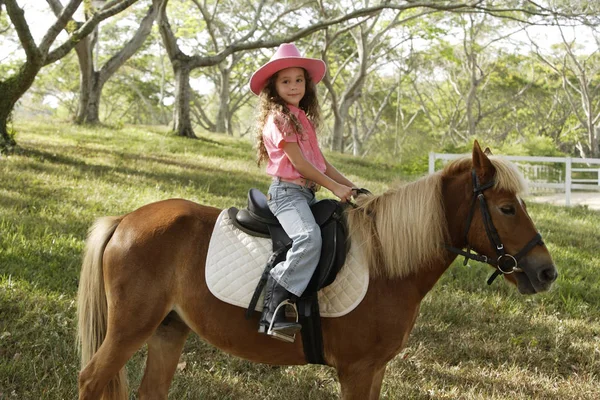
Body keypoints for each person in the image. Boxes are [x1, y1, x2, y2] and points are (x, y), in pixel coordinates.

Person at [250, 43, 356, 340]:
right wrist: (334, 187)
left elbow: (320, 163)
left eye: (299, 80)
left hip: (306, 194)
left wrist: (349, 186)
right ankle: (275, 305)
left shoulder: (302, 119)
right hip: (287, 194)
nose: (294, 86)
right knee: (309, 238)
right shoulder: (279, 119)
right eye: (286, 81)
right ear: (274, 86)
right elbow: (300, 164)